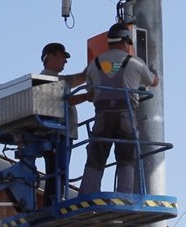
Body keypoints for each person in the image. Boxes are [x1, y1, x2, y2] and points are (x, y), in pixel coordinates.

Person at [78, 23, 159, 195]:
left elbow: (91, 94)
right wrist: (154, 71)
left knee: (96, 157)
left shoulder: (94, 64)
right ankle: (125, 194)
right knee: (126, 158)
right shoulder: (135, 63)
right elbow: (153, 82)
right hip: (126, 116)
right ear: (125, 42)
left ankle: (89, 193)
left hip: (102, 117)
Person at [39, 42, 88, 206]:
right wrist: (88, 96)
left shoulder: (58, 80)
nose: (65, 62)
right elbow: (69, 97)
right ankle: (53, 202)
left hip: (60, 133)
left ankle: (54, 200)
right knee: (57, 171)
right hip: (57, 134)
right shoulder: (48, 79)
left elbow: (80, 77)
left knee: (57, 172)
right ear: (49, 57)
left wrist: (94, 66)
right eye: (62, 56)